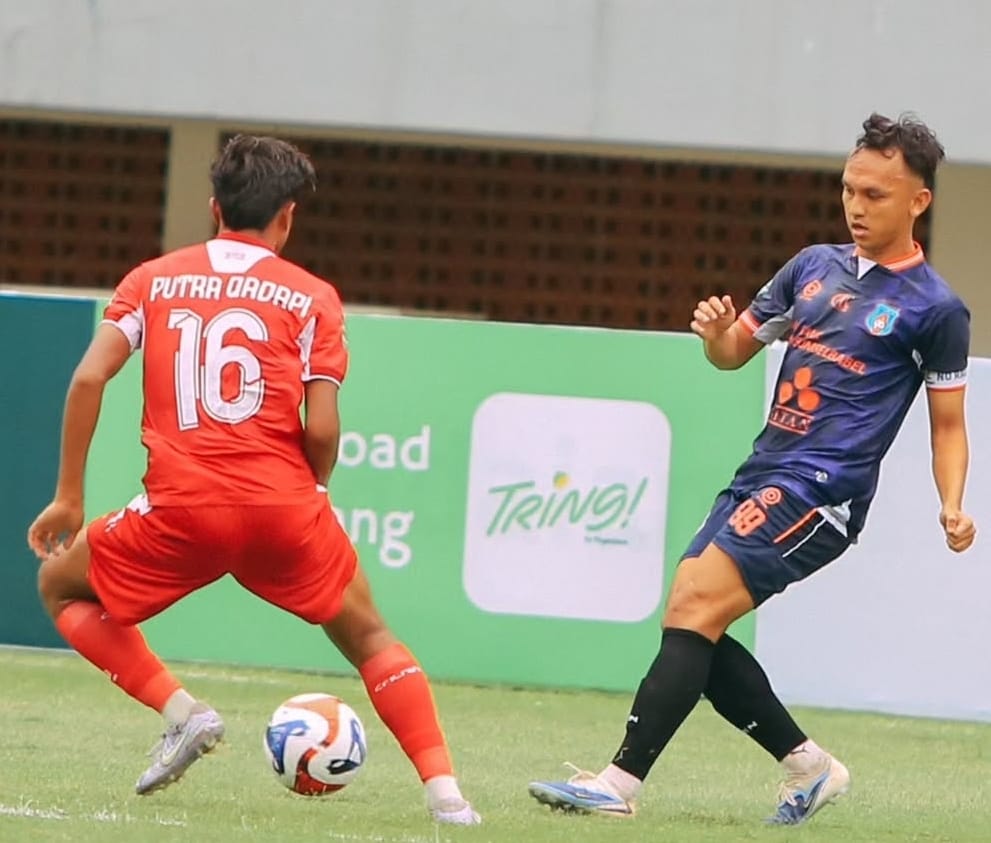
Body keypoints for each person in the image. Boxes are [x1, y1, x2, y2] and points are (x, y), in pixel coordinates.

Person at [528, 112, 976, 825]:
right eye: (848, 190)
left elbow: (947, 425)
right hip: (762, 469)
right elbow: (734, 351)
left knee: (694, 605)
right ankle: (807, 765)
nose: (856, 207)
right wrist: (713, 335)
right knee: (689, 614)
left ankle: (617, 783)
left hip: (822, 492)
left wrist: (951, 503)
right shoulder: (811, 266)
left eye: (875, 195)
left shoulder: (936, 309)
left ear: (918, 200)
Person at [27, 134, 480, 825]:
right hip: (284, 509)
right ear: (288, 216)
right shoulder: (312, 296)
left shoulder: (150, 279)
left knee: (60, 585)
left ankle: (184, 712)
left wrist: (69, 495)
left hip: (180, 511)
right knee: (368, 637)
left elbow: (90, 375)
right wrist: (314, 489)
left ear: (214, 207)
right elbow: (322, 428)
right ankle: (445, 793)